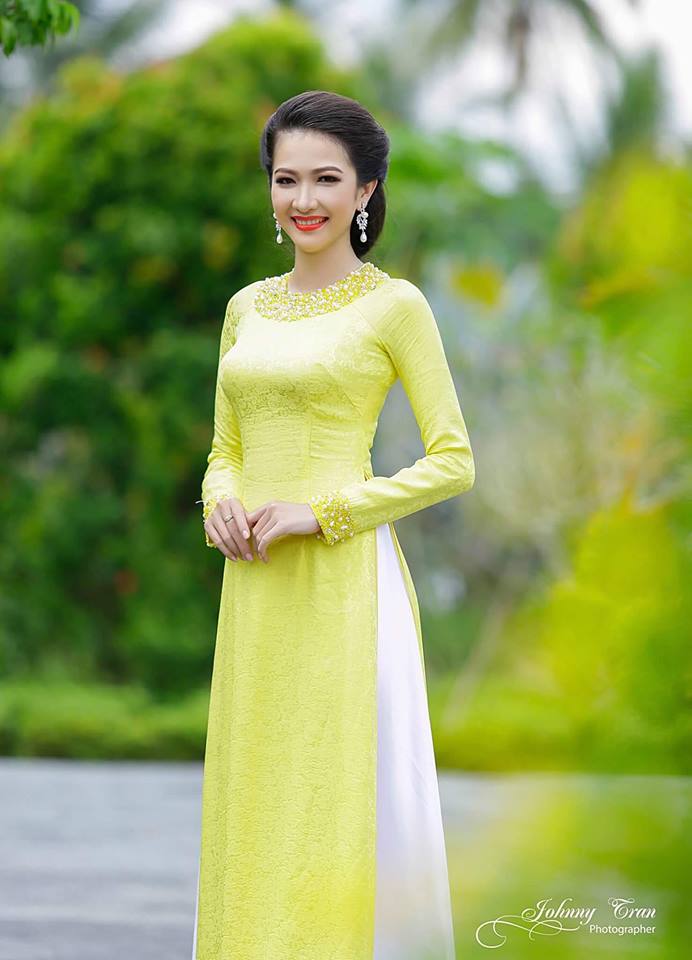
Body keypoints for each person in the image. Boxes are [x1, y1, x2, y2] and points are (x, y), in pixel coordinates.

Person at [191, 90, 475, 960]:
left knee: (338, 788)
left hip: (343, 584)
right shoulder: (246, 307)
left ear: (366, 190)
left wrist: (322, 513)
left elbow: (453, 460)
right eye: (286, 179)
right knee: (256, 788)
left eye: (325, 179)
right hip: (255, 587)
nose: (303, 199)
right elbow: (224, 449)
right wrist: (219, 504)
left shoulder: (395, 307)